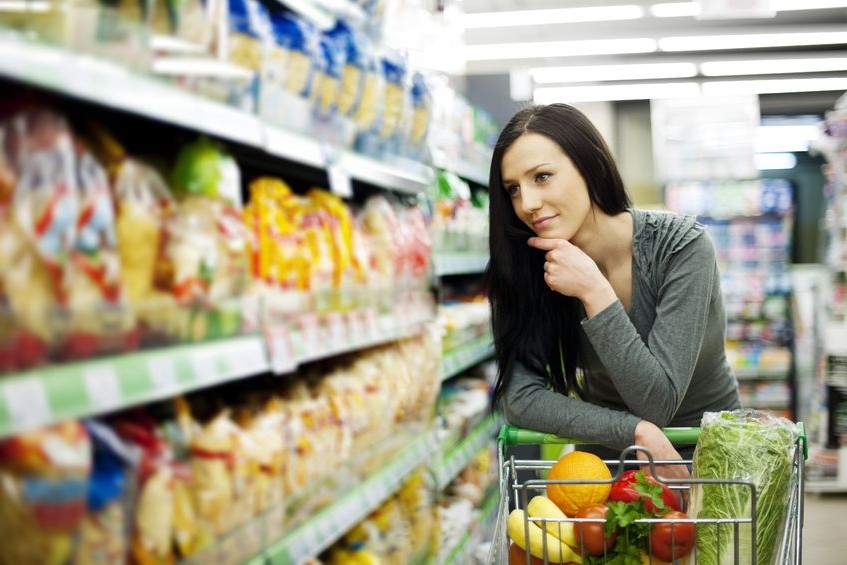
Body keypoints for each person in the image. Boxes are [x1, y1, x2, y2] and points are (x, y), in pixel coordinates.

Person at [486, 103, 740, 479]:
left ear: (591, 165)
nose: (527, 204)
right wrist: (634, 431)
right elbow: (520, 400)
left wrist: (593, 290)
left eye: (541, 177)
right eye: (513, 189)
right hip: (605, 464)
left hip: (706, 455)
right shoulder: (531, 267)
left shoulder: (680, 247)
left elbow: (657, 402)